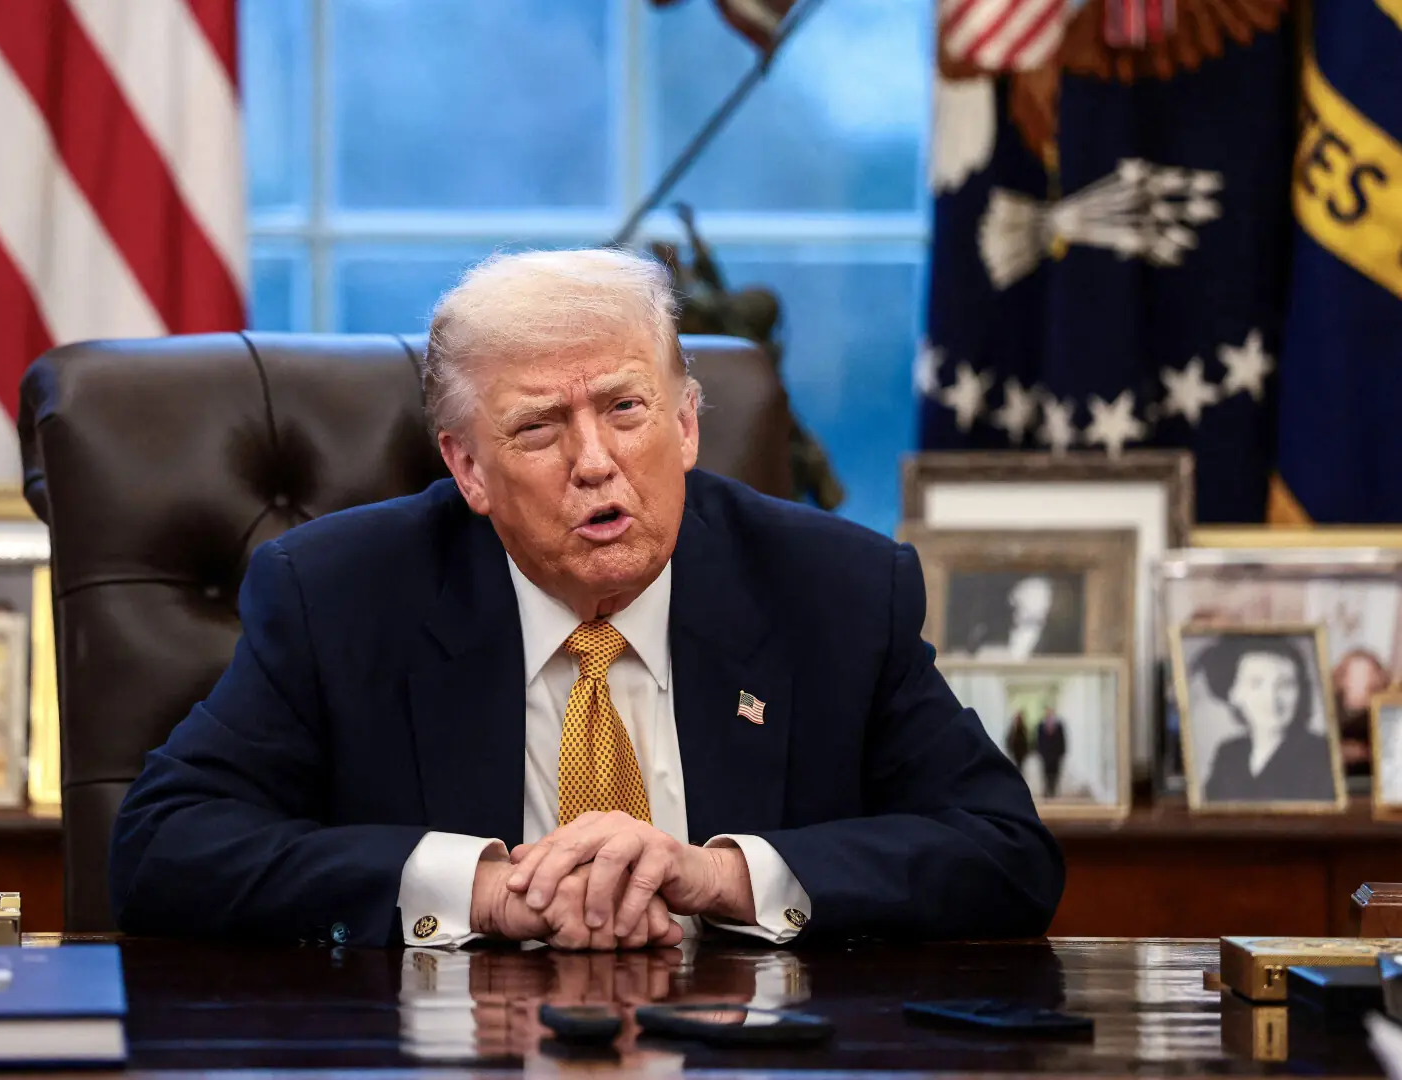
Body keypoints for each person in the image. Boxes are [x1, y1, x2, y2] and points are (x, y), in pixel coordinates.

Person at [109, 248, 1063, 950]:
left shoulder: (836, 590)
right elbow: (164, 847)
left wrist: (720, 875)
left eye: (625, 408)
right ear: (468, 469)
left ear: (686, 425)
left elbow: (1004, 853)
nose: (595, 462)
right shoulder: (338, 595)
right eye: (538, 428)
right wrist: (480, 890)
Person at [1198, 635, 1338, 803]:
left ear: (1301, 691)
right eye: (1256, 684)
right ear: (1233, 693)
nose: (1271, 698)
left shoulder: (1322, 753)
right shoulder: (1228, 754)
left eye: (1285, 684)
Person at [1036, 707, 1068, 798]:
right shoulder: (1041, 725)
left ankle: (1053, 788)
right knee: (1045, 772)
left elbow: (1062, 739)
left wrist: (1062, 751)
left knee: (1055, 772)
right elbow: (1038, 740)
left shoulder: (1059, 725)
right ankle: (1047, 789)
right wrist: (1039, 751)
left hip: (1056, 753)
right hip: (1045, 753)